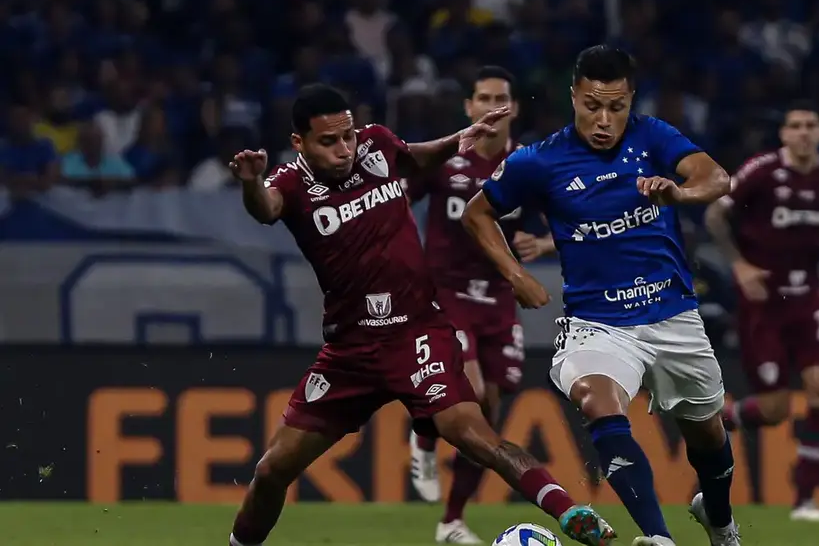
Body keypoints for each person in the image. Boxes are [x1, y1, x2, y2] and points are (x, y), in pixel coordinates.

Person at [226, 84, 615, 546]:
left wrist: (456, 141)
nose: (344, 148)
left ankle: (570, 513)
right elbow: (265, 208)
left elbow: (413, 156)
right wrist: (251, 181)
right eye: (328, 142)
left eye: (347, 135)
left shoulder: (375, 145)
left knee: (477, 437)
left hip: (416, 335)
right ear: (300, 144)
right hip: (349, 352)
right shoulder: (290, 184)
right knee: (271, 470)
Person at [462, 45, 739, 546]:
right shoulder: (540, 160)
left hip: (672, 314)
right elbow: (476, 213)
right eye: (592, 105)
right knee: (596, 400)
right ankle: (658, 538)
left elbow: (715, 178)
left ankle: (718, 519)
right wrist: (514, 274)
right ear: (574, 97)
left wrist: (679, 193)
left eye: (617, 106)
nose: (605, 120)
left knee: (708, 435)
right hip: (598, 323)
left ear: (632, 100)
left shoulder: (653, 137)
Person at [406, 66, 555, 544]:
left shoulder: (526, 165)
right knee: (466, 391)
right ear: (469, 108)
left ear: (513, 109)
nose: (492, 107)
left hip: (497, 299)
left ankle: (451, 520)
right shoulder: (447, 160)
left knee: (489, 411)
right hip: (444, 293)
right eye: (483, 97)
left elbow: (570, 212)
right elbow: (395, 202)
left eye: (501, 98)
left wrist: (546, 244)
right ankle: (425, 438)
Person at [703, 101, 819, 522]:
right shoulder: (760, 172)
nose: (802, 132)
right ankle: (729, 417)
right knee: (775, 410)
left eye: (810, 125)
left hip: (809, 298)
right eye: (794, 125)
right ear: (783, 134)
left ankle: (805, 501)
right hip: (763, 304)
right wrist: (739, 266)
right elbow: (714, 215)